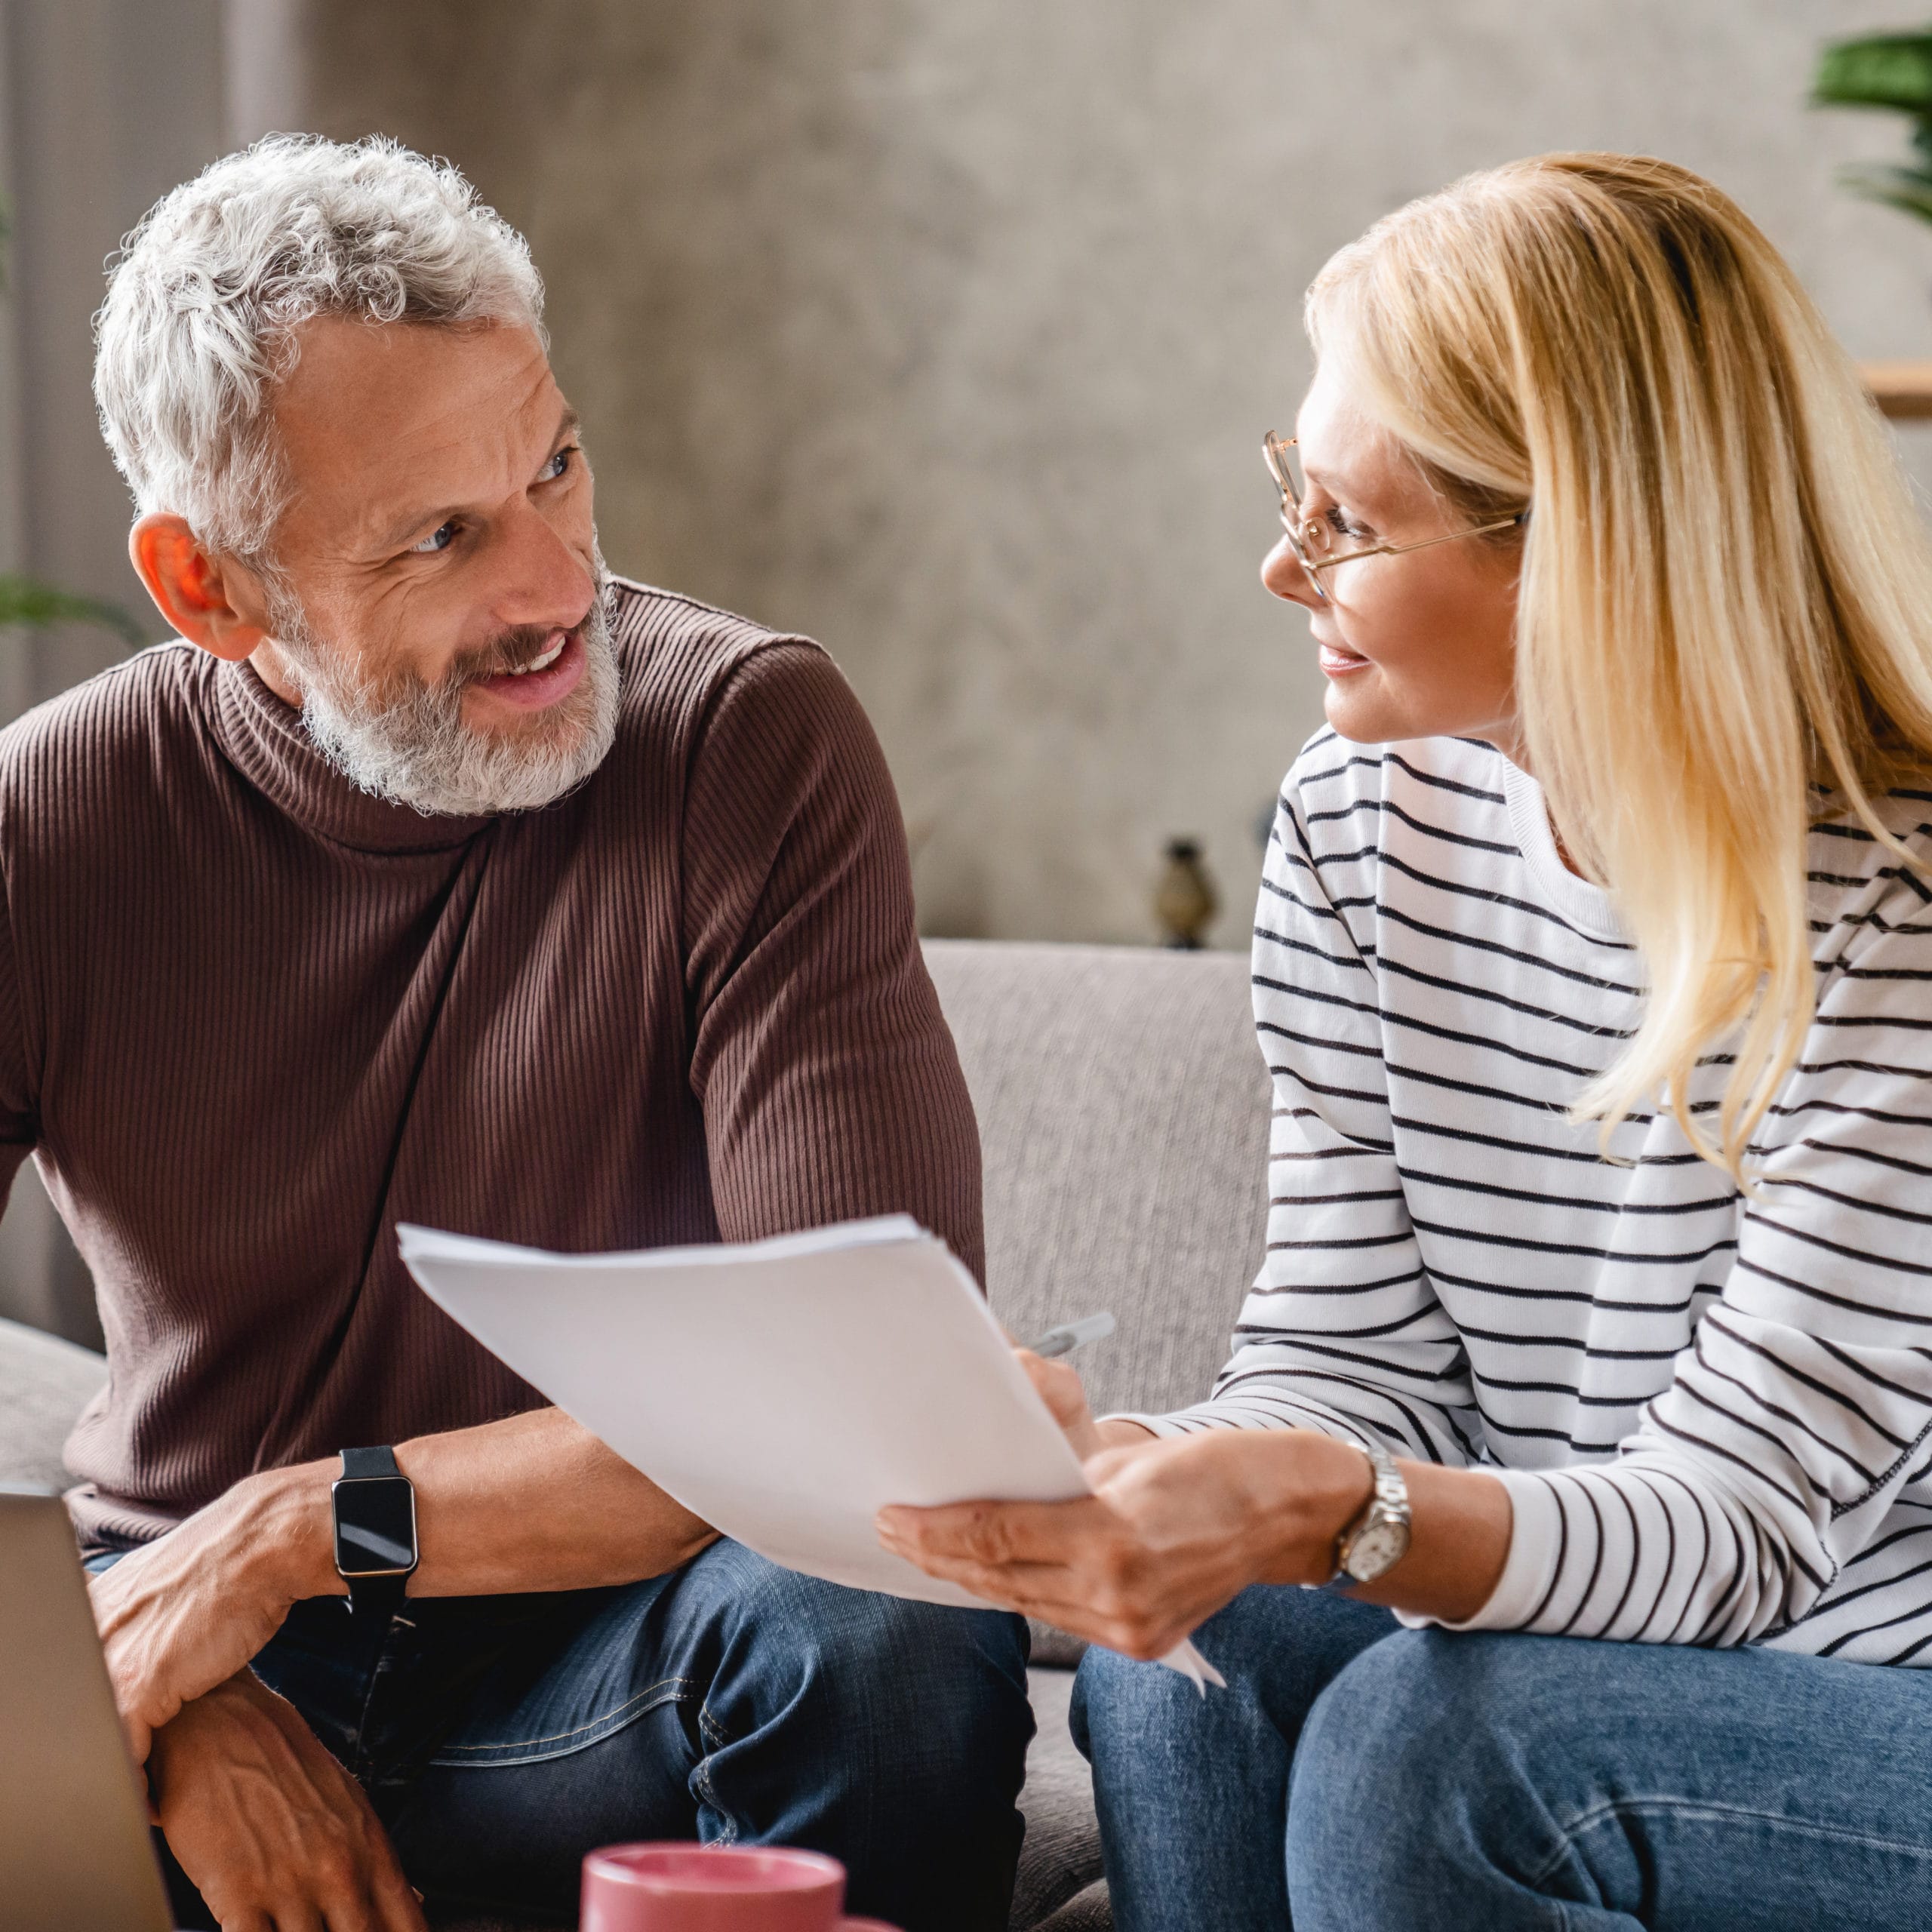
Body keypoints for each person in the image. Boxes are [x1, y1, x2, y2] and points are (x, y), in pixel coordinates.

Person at [878, 152, 1932, 1931]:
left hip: (1862, 1694)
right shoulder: (1360, 826)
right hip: (1610, 1637)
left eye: (1350, 522)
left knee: (1424, 1747)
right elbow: (1345, 1355)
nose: (1279, 562)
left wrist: (1341, 1508)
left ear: (1584, 547)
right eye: (1294, 488)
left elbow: (1743, 1532)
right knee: (1179, 1647)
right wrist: (1143, 1469)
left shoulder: (1894, 902)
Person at [11, 134, 1030, 1931]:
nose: (556, 583)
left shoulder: (744, 742)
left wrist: (285, 1532)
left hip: (604, 1669)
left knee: (883, 1607)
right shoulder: (54, 819)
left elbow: (862, 1408)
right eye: (442, 535)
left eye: (554, 466)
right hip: (186, 1658)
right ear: (209, 588)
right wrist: (164, 1698)